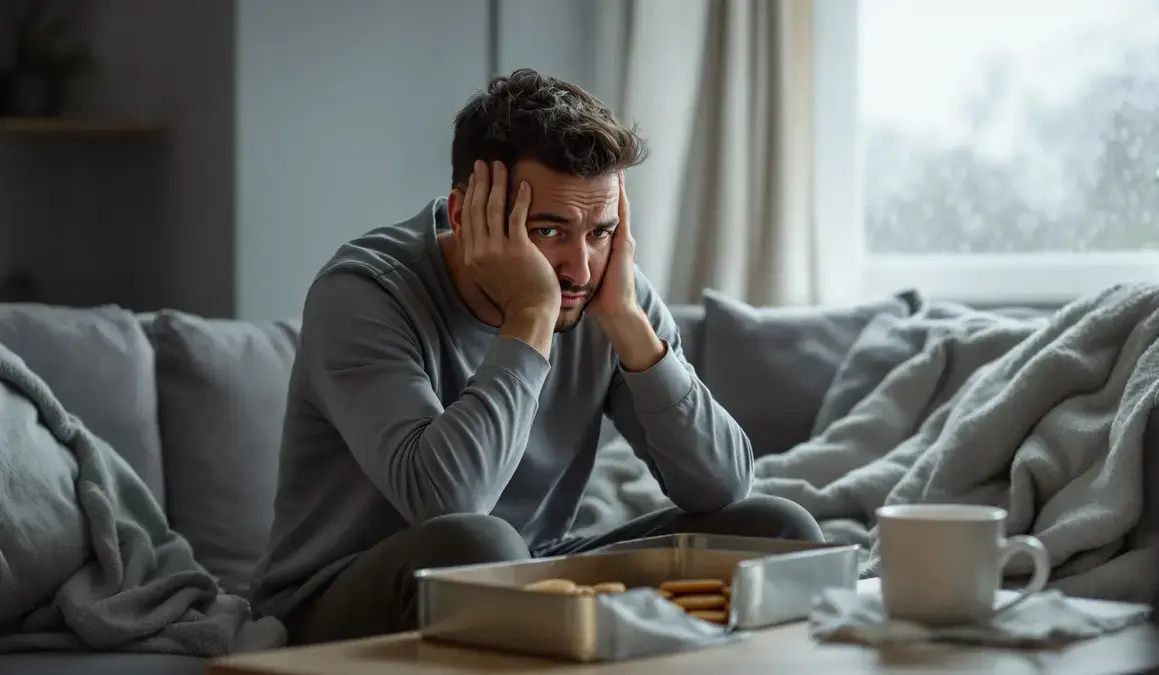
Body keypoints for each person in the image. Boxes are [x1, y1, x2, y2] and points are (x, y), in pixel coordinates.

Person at [250, 68, 824, 645]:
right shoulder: (363, 294)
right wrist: (531, 317)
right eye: (548, 231)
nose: (578, 268)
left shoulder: (604, 289)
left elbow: (722, 487)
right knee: (481, 544)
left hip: (535, 569)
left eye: (601, 231)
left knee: (777, 530)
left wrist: (629, 325)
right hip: (336, 598)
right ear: (465, 213)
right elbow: (448, 501)